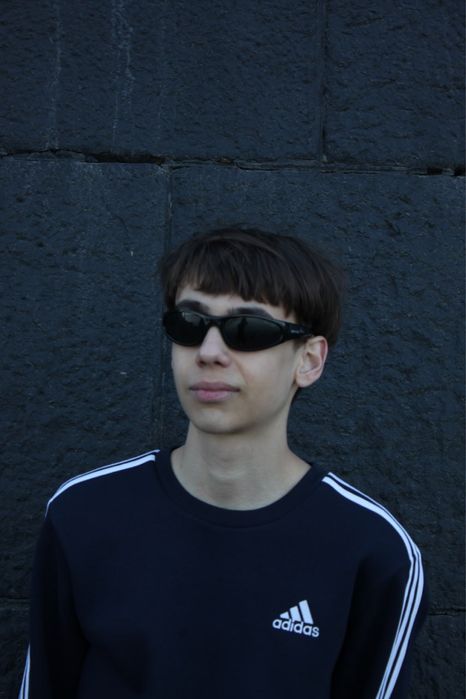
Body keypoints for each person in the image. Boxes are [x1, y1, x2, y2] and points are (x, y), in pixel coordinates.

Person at [19, 228, 427, 698]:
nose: (209, 353)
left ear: (309, 360)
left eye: (247, 330)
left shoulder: (373, 551)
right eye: (189, 324)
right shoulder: (85, 512)